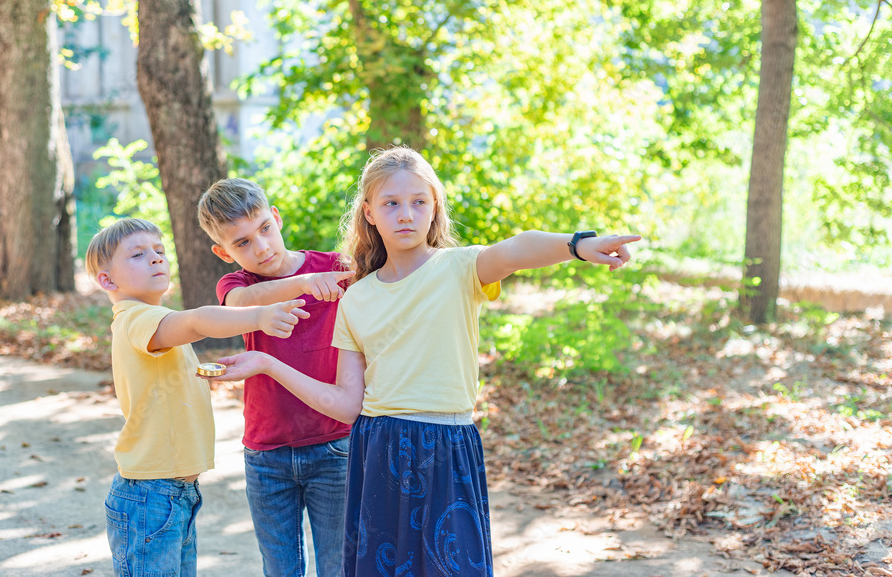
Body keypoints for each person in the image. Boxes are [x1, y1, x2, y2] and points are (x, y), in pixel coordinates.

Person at [207, 147, 641, 576]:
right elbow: (345, 404)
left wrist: (578, 245)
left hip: (446, 445)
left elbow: (514, 250)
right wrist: (268, 365)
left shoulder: (460, 268)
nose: (406, 214)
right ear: (369, 213)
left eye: (419, 202)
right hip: (376, 449)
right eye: (391, 204)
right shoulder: (355, 297)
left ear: (435, 207)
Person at [85, 217, 309, 577]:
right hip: (150, 495)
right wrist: (260, 317)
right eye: (139, 255)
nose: (156, 259)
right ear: (108, 281)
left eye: (159, 251)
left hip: (174, 493)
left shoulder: (155, 321)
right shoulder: (136, 318)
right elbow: (198, 322)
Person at [197, 178, 356, 577]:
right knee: (280, 569)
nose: (262, 247)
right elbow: (237, 305)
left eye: (265, 229)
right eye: (243, 243)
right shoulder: (239, 285)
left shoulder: (336, 268)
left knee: (339, 566)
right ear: (223, 252)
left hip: (335, 444)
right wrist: (301, 285)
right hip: (267, 454)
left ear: (277, 217)